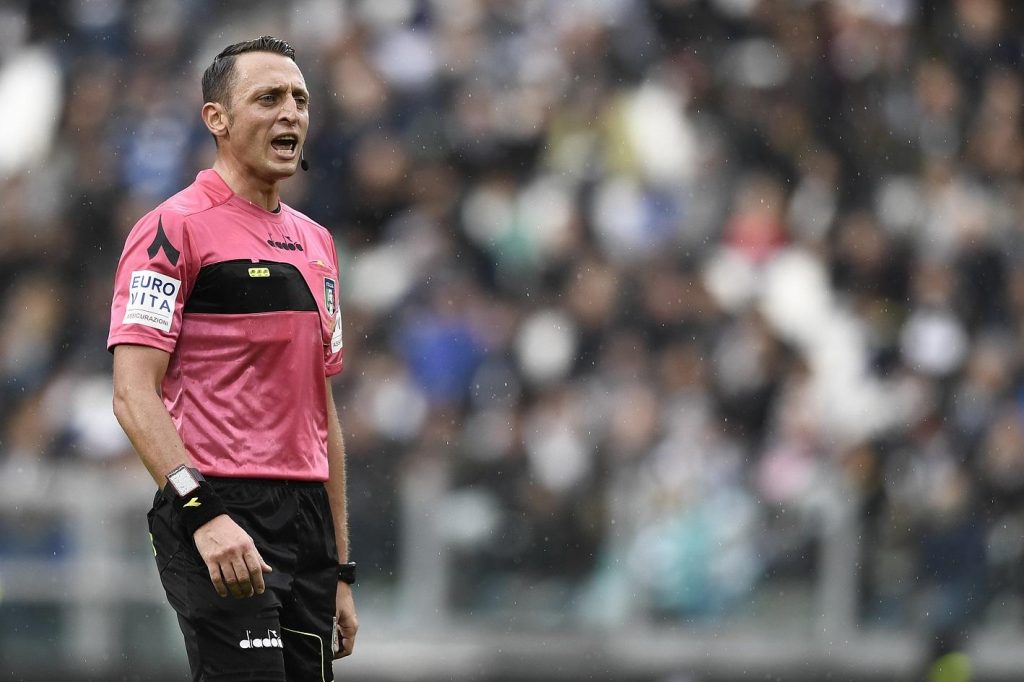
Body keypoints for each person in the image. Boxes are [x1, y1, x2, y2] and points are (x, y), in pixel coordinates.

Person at [108, 36, 357, 682]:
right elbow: (133, 393)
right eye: (268, 98)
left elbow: (321, 412)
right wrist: (203, 512)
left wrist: (340, 566)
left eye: (300, 99)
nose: (291, 113)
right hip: (217, 501)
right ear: (216, 118)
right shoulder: (171, 230)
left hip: (307, 521)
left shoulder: (318, 244)